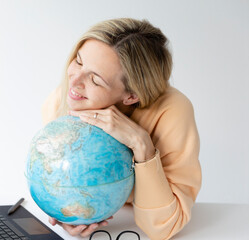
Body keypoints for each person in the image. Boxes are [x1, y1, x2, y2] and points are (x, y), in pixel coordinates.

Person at [42, 18, 202, 240]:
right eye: (78, 61)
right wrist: (67, 216)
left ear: (131, 96)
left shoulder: (173, 111)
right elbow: (55, 184)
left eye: (95, 80)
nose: (74, 80)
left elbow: (163, 228)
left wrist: (141, 144)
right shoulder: (66, 97)